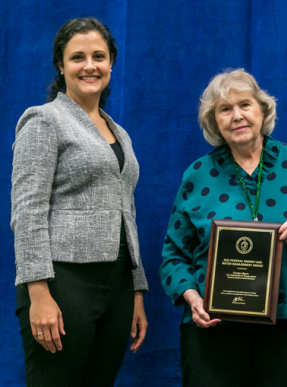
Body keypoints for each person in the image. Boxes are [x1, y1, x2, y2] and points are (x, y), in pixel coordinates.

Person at [160, 68, 287, 386]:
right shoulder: (197, 173)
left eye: (245, 104)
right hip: (213, 324)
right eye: (225, 109)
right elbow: (174, 255)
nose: (237, 116)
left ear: (263, 109)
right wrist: (192, 298)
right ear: (215, 121)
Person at [11, 17, 148, 386]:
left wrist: (136, 290)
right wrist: (38, 292)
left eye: (99, 56)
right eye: (78, 57)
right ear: (61, 64)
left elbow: (127, 214)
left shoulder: (119, 132)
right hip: (64, 283)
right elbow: (27, 211)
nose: (90, 65)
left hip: (117, 287)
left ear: (111, 63)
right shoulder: (44, 120)